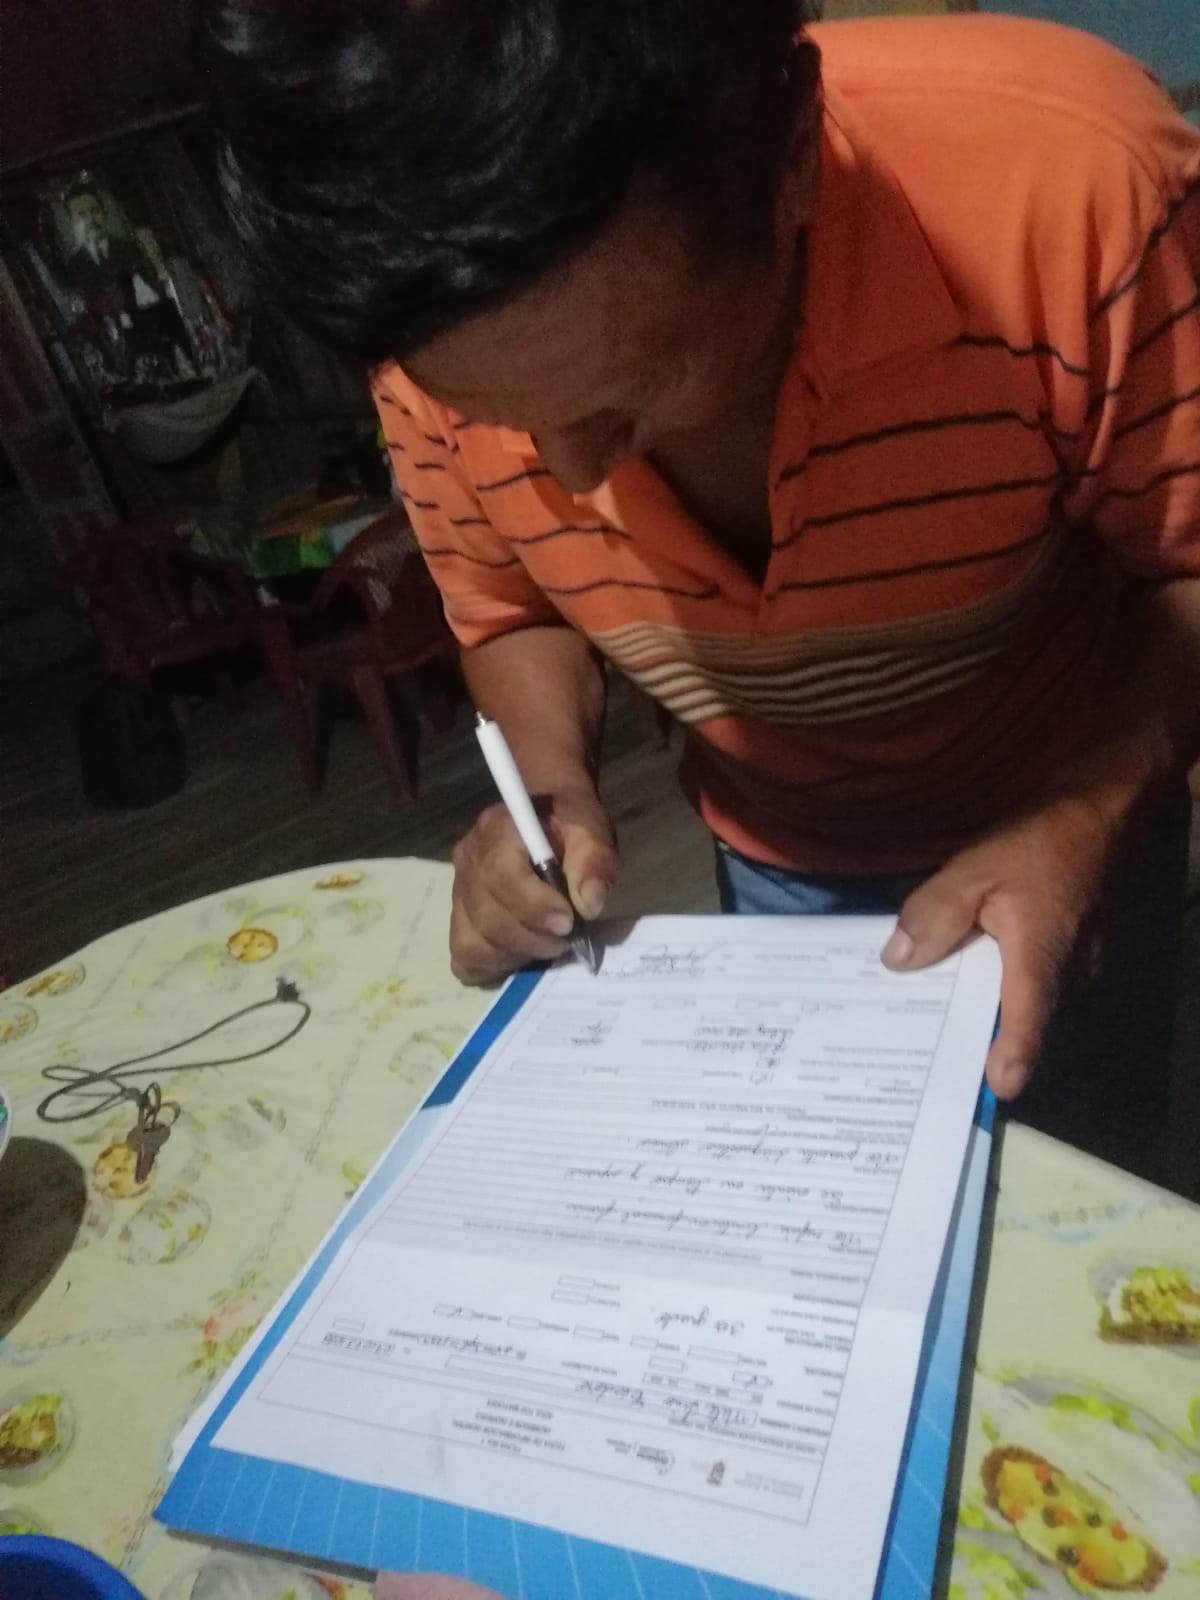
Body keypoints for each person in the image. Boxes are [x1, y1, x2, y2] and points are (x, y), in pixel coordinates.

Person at [207, 2, 1200, 1183]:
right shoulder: (427, 301)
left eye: (632, 390)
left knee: (1082, 1184)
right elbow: (512, 605)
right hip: (775, 849)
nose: (569, 474)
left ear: (791, 163)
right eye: (492, 416)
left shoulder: (1075, 185)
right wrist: (547, 782)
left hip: (1079, 800)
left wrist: (1083, 817)